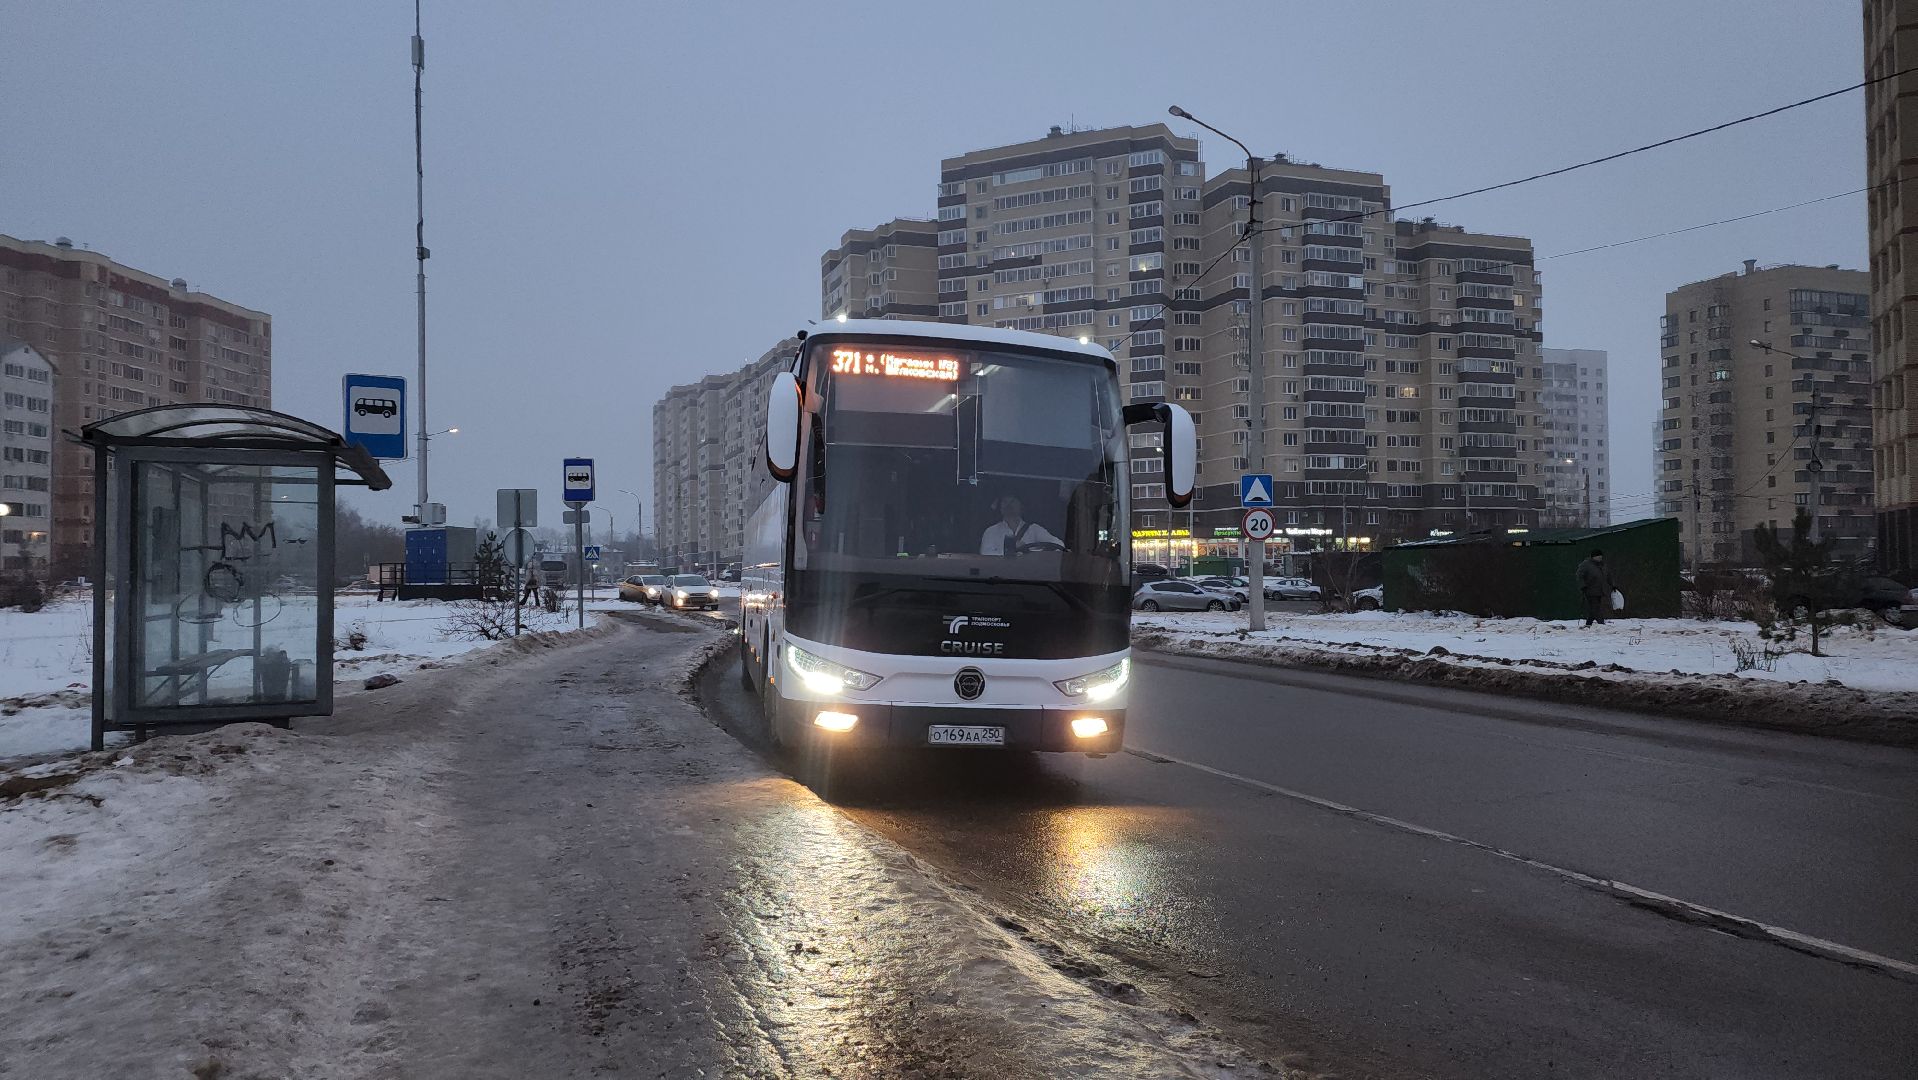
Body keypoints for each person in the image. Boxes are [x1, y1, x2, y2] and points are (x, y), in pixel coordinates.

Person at [979, 495, 1062, 556]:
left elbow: (1059, 546)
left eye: (1012, 501)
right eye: (1005, 502)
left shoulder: (1034, 529)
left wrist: (1029, 552)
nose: (1008, 505)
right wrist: (1011, 551)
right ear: (1000, 508)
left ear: (1021, 506)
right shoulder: (991, 531)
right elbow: (986, 555)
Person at [1574, 548, 1615, 627]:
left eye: (1601, 556)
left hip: (1600, 590)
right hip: (1589, 590)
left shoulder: (1602, 565)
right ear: (1593, 557)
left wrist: (1613, 585)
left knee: (1594, 608)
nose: (1600, 558)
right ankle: (1601, 624)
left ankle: (1588, 624)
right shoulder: (1586, 564)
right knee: (1596, 608)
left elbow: (1608, 576)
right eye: (1598, 556)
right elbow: (1579, 576)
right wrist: (1583, 586)